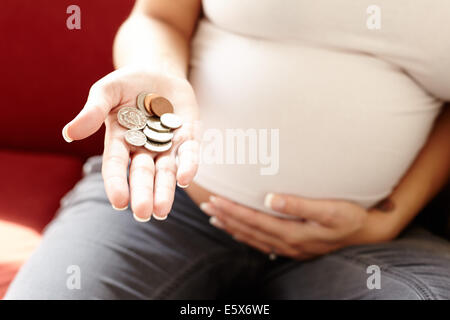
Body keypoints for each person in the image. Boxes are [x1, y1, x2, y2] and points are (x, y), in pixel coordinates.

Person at [5, 0, 450, 299]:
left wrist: (388, 218)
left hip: (363, 240)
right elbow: (158, 16)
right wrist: (155, 80)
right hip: (166, 199)